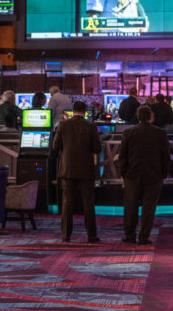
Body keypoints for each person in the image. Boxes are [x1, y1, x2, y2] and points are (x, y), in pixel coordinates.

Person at [119, 105, 170, 245]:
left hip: (132, 175)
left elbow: (122, 156)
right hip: (154, 175)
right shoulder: (160, 133)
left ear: (138, 116)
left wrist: (123, 174)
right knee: (149, 207)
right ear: (151, 117)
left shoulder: (128, 133)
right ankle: (143, 236)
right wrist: (163, 174)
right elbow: (165, 156)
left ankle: (129, 235)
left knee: (130, 206)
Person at [53, 101, 101, 243]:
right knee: (88, 203)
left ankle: (66, 235)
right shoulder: (91, 126)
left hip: (67, 168)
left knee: (67, 202)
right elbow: (97, 149)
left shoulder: (63, 125)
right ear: (85, 112)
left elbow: (55, 146)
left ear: (73, 111)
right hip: (86, 169)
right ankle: (91, 235)